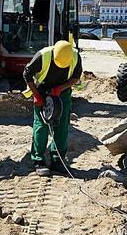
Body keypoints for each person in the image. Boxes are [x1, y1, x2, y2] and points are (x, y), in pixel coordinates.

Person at [23, 40, 83, 175]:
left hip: (63, 93)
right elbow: (27, 75)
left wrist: (59, 89)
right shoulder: (42, 56)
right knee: (41, 126)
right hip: (42, 90)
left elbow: (75, 78)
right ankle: (38, 160)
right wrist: (37, 96)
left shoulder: (75, 56)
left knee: (62, 126)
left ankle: (58, 160)